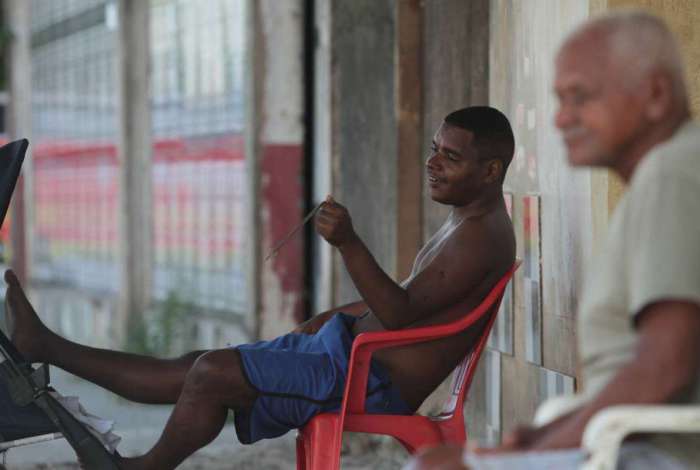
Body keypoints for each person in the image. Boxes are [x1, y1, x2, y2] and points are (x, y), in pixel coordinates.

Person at [6, 106, 516, 470]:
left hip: (367, 380)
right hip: (347, 356)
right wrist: (330, 320)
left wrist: (349, 242)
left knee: (210, 373)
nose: (432, 163)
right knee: (195, 364)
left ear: (490, 171)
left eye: (449, 157)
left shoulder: (479, 236)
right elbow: (408, 301)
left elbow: (401, 314)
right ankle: (48, 346)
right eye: (434, 150)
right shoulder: (467, 220)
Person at [408, 10, 700, 470]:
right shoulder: (665, 174)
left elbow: (665, 366)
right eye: (559, 99)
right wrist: (541, 435)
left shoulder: (674, 173)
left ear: (656, 94)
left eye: (580, 98)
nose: (562, 118)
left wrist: (539, 448)